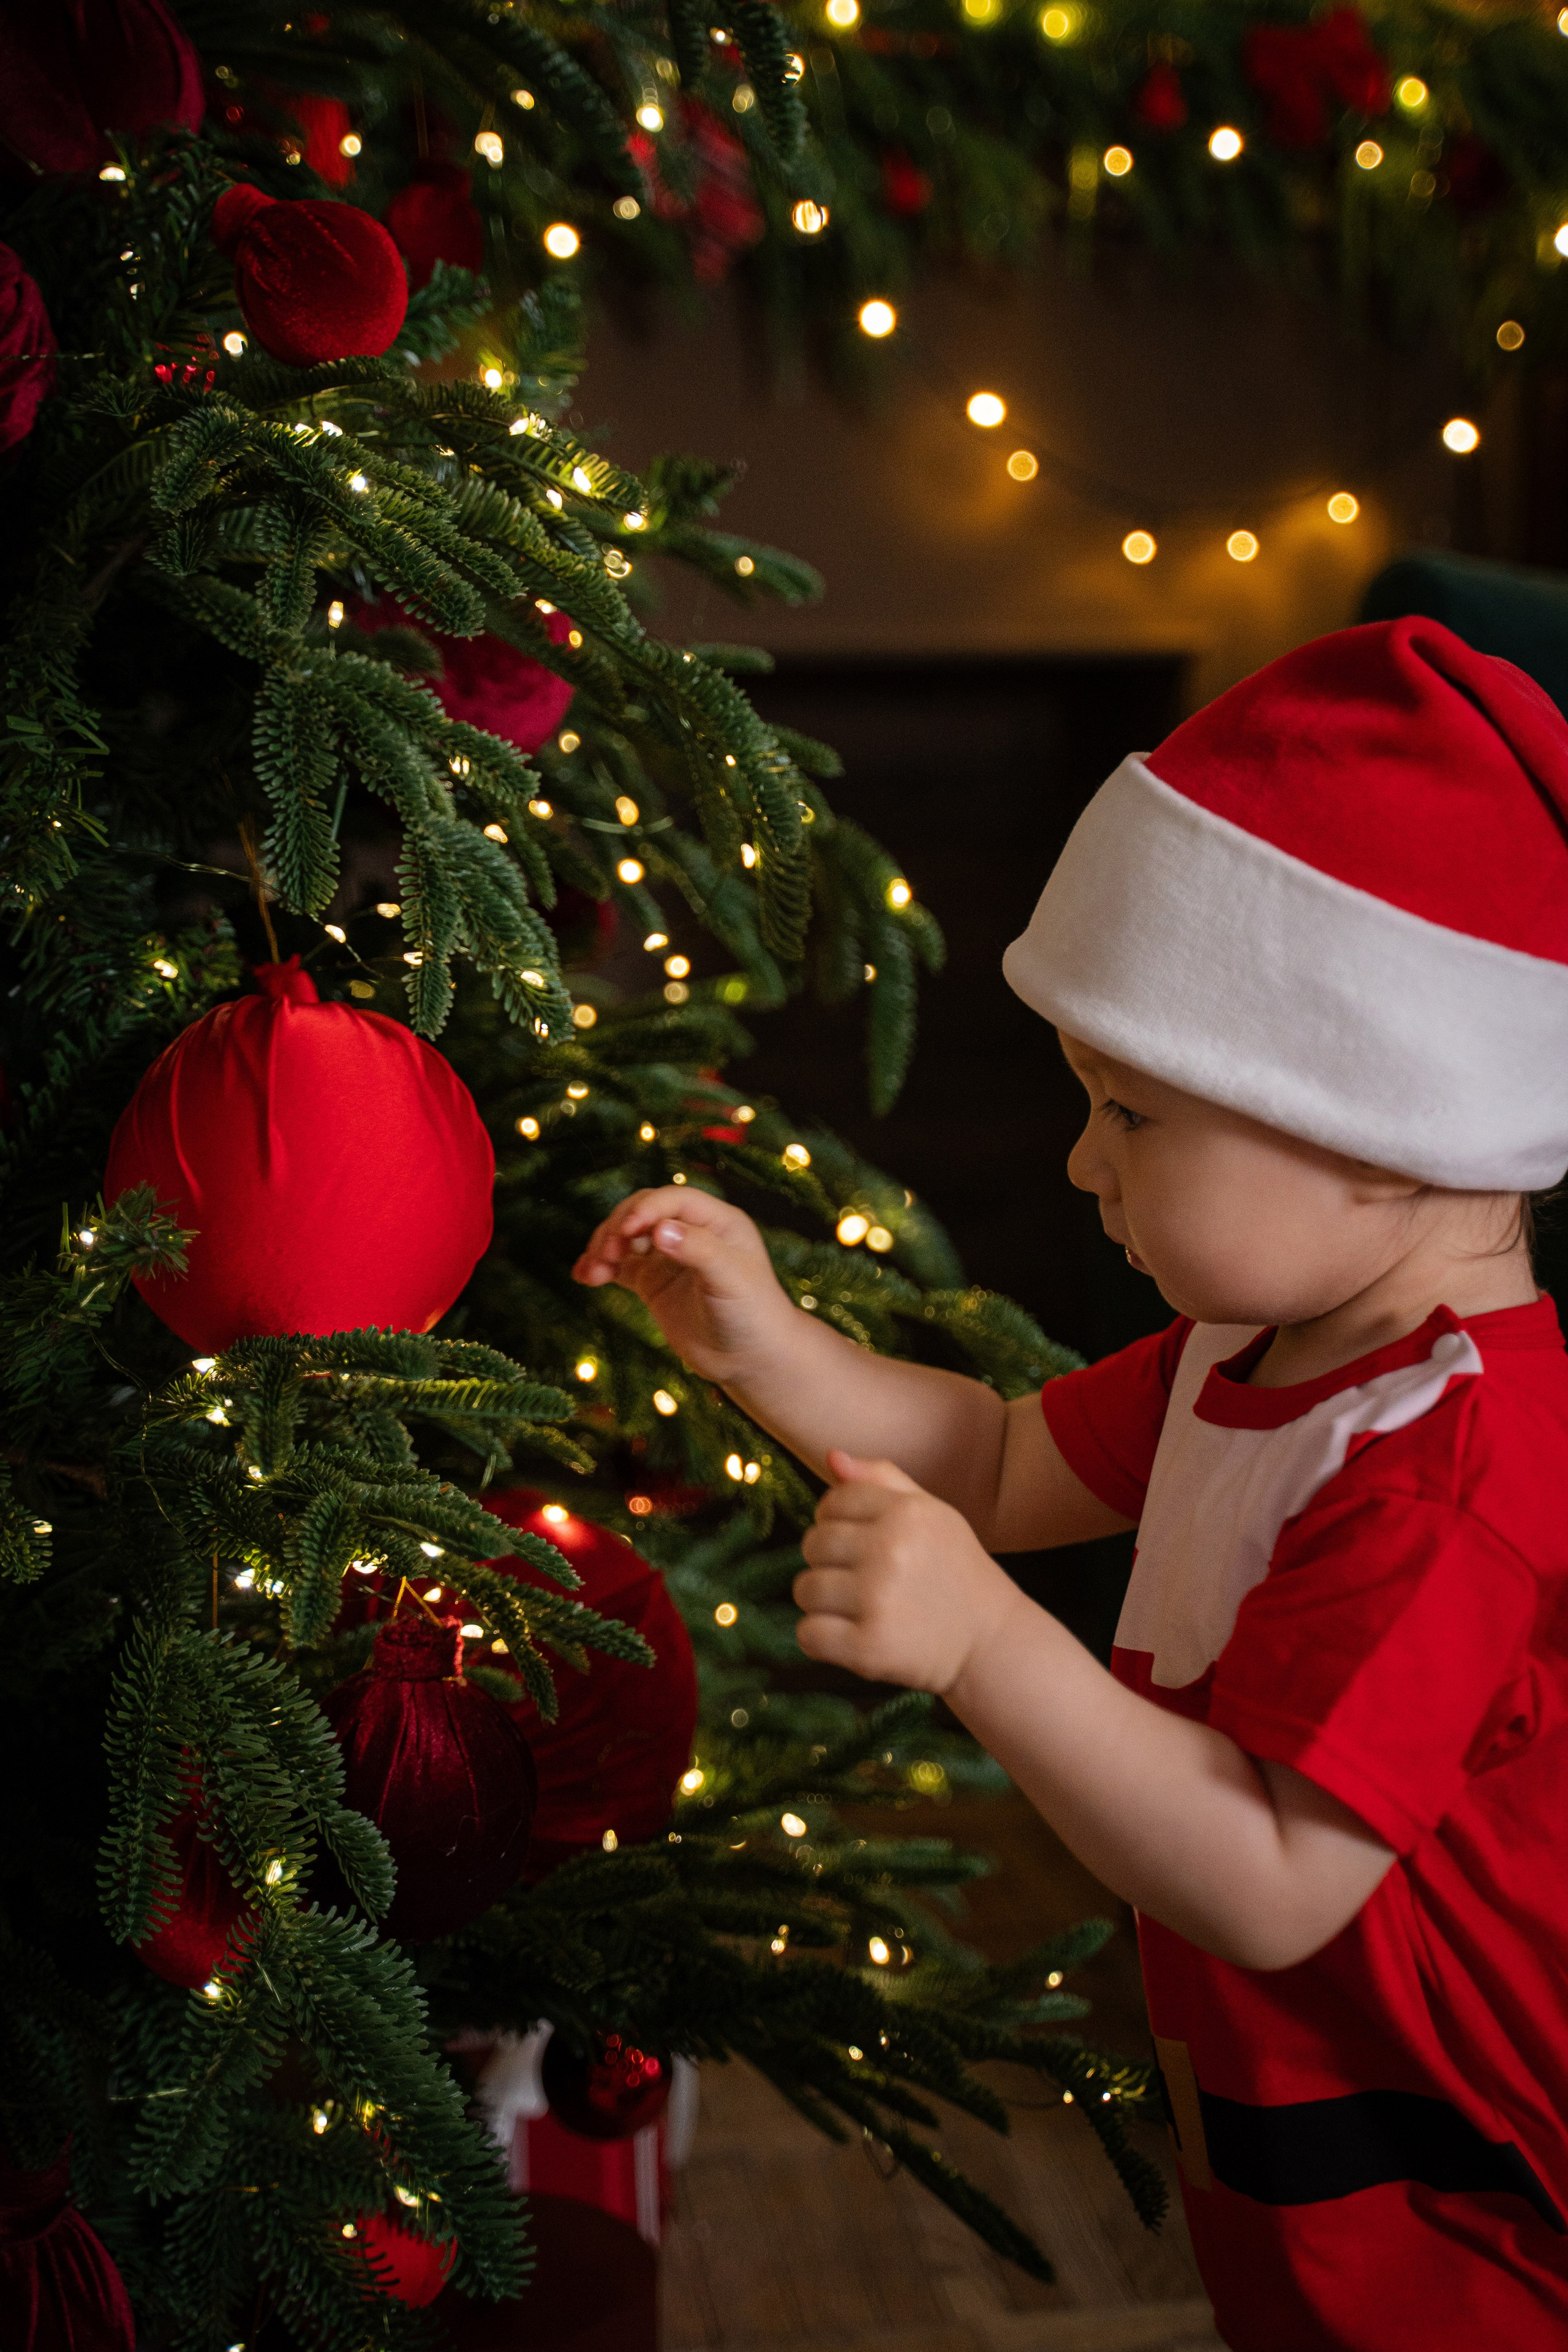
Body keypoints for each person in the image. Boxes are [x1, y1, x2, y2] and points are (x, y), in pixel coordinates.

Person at [573, 616, 1568, 2350]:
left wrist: (985, 1646)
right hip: (1300, 2123)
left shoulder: (1456, 1465)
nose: (1081, 1158)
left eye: (1136, 1112)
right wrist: (768, 1345)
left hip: (1466, 2175)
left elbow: (1272, 1880)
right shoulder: (1243, 1357)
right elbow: (1007, 1456)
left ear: (1376, 1118)